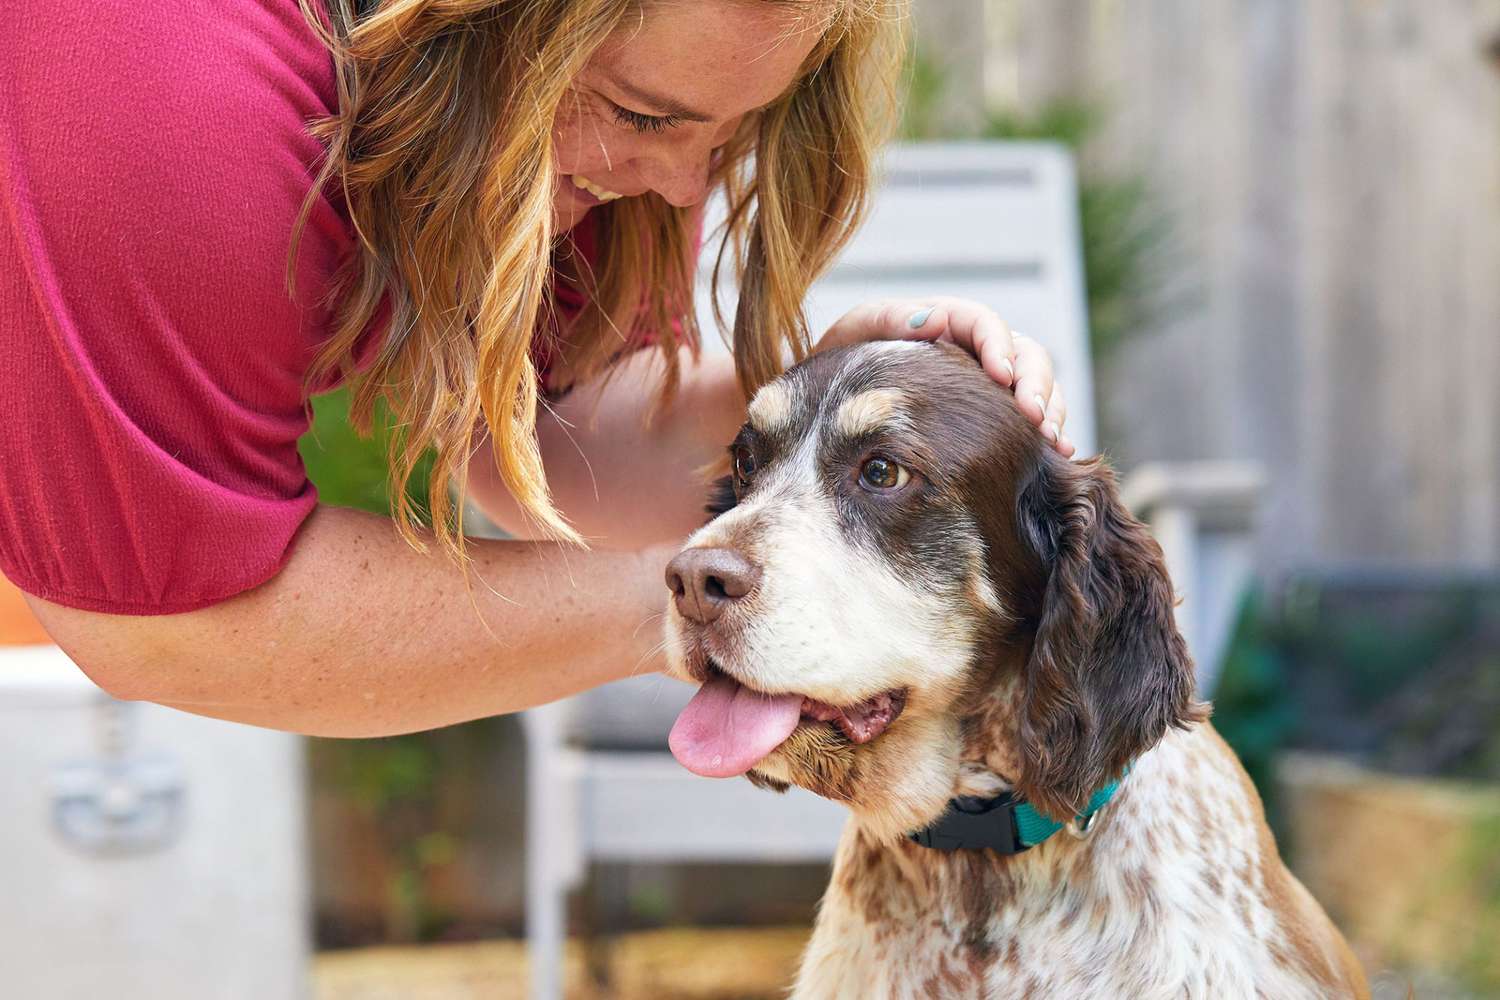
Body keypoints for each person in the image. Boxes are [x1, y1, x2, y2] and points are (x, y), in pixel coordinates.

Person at [0, 0, 1075, 738]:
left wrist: (809, 431)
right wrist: (697, 608)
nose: (681, 182)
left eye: (728, 133)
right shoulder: (168, 103)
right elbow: (174, 623)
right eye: (642, 115)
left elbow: (544, 436)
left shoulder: (576, 111)